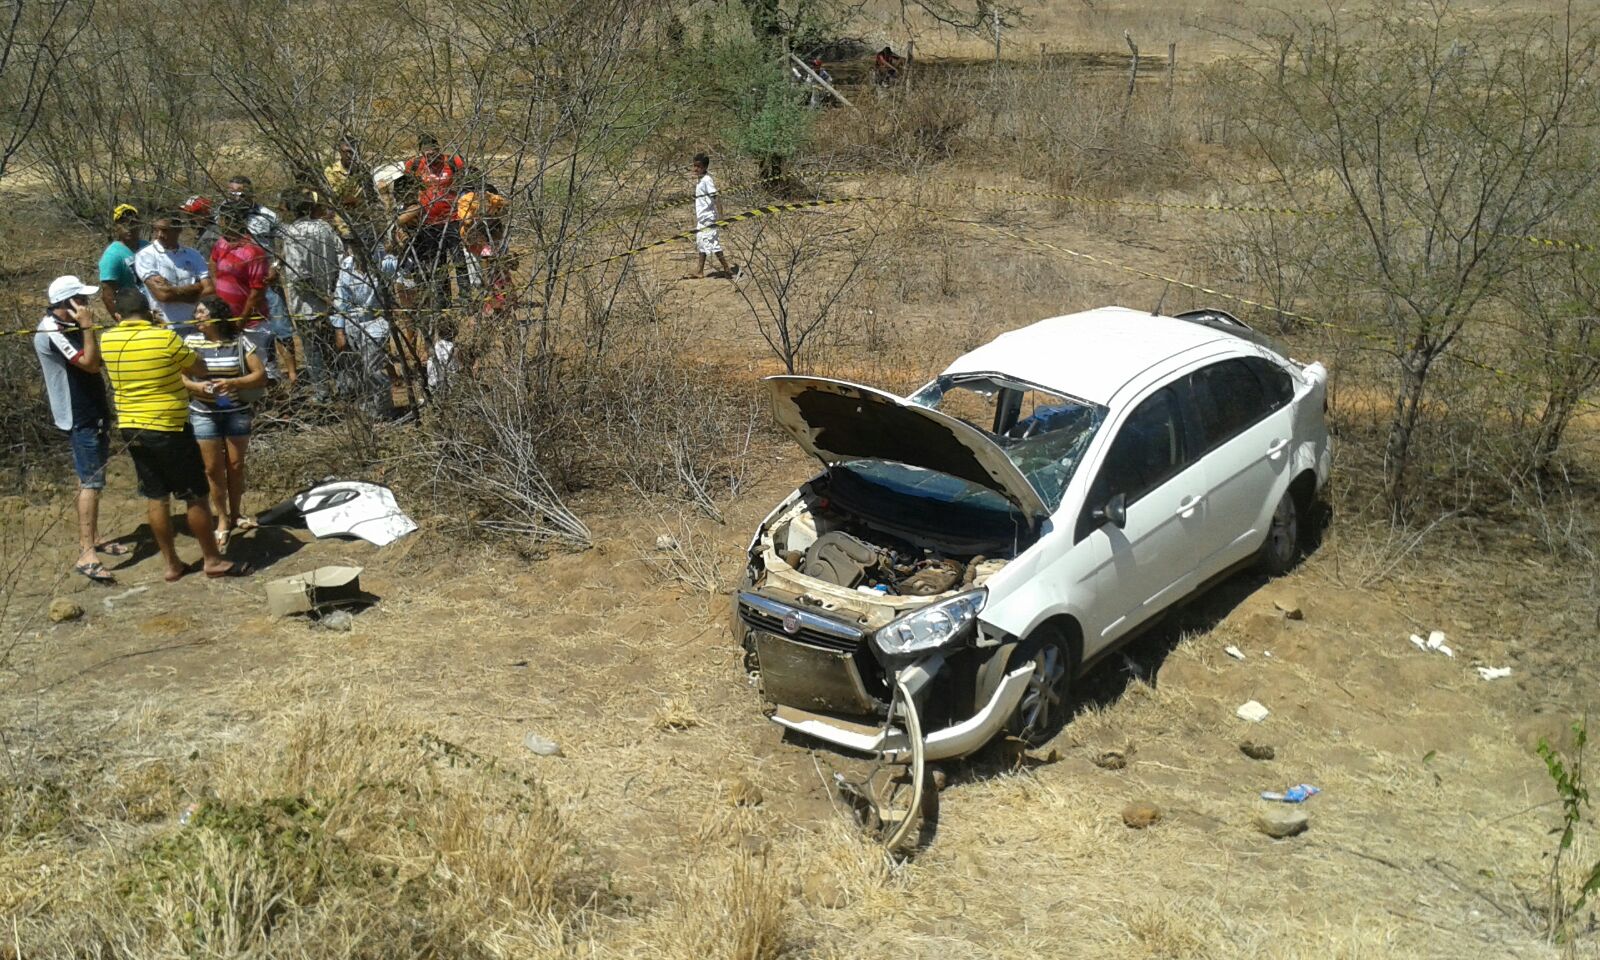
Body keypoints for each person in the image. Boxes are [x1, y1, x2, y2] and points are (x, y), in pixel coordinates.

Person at [100, 287, 249, 581]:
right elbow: (199, 366)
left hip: (131, 427)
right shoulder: (164, 337)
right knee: (195, 495)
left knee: (156, 497)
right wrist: (162, 329)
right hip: (169, 424)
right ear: (148, 312)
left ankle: (172, 564)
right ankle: (212, 559)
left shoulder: (106, 338)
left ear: (118, 316)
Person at [35, 275, 126, 585]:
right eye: (81, 299)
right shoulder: (52, 330)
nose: (86, 304)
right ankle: (86, 552)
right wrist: (87, 328)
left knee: (89, 478)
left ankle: (95, 537)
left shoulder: (67, 327)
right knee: (91, 482)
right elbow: (89, 363)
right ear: (67, 304)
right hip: (78, 415)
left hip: (91, 410)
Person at [181, 297, 267, 550]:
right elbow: (182, 376)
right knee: (212, 468)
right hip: (202, 412)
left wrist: (234, 384)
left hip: (236, 411)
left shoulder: (240, 341)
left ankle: (237, 513)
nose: (197, 316)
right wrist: (197, 386)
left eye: (201, 312)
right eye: (196, 312)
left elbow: (260, 374)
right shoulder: (190, 342)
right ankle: (221, 518)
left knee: (236, 465)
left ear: (216, 316)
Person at [225, 176, 295, 378]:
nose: (236, 197)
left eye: (240, 193)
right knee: (249, 329)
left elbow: (287, 240)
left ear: (250, 193)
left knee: (281, 327)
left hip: (267, 281)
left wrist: (276, 266)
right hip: (240, 285)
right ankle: (261, 374)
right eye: (232, 193)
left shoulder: (267, 216)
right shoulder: (225, 215)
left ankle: (292, 376)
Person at [278, 188, 342, 397]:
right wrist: (332, 294)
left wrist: (321, 296)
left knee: (314, 352)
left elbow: (299, 277)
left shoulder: (293, 233)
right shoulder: (325, 227)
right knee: (333, 350)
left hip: (307, 306)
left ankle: (323, 394)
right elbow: (341, 258)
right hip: (331, 301)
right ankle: (343, 388)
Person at [210, 201, 277, 380]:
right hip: (227, 319)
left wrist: (241, 321)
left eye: (223, 220)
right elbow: (213, 265)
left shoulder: (253, 251)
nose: (220, 225)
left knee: (260, 367)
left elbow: (257, 292)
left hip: (252, 322)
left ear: (234, 221)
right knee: (235, 366)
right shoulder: (221, 244)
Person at [332, 244, 397, 416]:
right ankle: (371, 408)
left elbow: (404, 268)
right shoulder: (346, 265)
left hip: (377, 322)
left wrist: (399, 247)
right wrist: (339, 330)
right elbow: (341, 298)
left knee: (373, 369)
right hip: (353, 324)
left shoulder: (384, 263)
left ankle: (385, 410)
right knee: (360, 370)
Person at [404, 134, 468, 305]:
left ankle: (466, 297)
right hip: (428, 224)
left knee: (459, 259)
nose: (431, 156)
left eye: (433, 152)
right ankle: (443, 299)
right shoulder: (414, 165)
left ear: (439, 149)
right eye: (426, 153)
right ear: (421, 152)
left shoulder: (452, 162)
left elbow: (467, 183)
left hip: (452, 220)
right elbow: (406, 190)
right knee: (437, 264)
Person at [133, 211, 213, 334]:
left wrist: (172, 289)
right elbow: (163, 295)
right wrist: (196, 288)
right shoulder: (145, 256)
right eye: (156, 230)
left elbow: (209, 289)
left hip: (196, 325)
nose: (159, 235)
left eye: (165, 230)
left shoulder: (193, 255)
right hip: (165, 327)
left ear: (178, 229)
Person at [455, 169, 515, 315]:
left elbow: (506, 204)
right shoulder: (466, 199)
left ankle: (495, 305)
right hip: (474, 241)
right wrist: (482, 215)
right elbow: (467, 221)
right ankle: (488, 304)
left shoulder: (488, 196)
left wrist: (492, 212)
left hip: (488, 239)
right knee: (480, 277)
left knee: (492, 273)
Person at [689, 153, 737, 280]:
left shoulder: (707, 180)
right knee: (701, 242)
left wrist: (722, 217)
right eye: (694, 166)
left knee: (713, 243)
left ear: (704, 167)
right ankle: (699, 271)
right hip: (702, 218)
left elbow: (716, 198)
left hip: (709, 218)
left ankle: (727, 269)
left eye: (698, 166)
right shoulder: (700, 180)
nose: (695, 169)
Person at [98, 204, 147, 317]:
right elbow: (108, 295)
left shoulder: (148, 247)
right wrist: (119, 318)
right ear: (116, 227)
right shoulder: (112, 255)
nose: (128, 227)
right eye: (123, 223)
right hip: (132, 314)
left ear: (139, 224)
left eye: (132, 222)